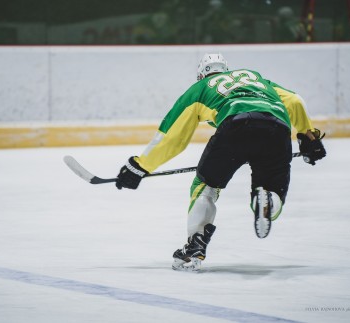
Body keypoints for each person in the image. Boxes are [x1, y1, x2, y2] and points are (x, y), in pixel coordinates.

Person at [115, 53, 326, 271]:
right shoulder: (255, 78)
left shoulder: (201, 88)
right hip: (276, 129)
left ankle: (194, 248)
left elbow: (172, 137)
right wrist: (308, 138)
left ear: (201, 75)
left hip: (235, 127)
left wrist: (140, 166)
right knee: (272, 188)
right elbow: (295, 100)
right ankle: (268, 200)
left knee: (205, 186)